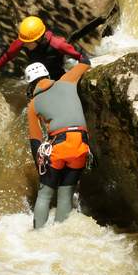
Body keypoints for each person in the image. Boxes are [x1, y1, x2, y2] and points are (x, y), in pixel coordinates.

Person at [25, 57, 90, 229]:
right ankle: (61, 234)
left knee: (45, 195)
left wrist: (40, 169)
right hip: (81, 146)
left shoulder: (33, 105)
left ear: (30, 84)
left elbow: (35, 140)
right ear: (47, 74)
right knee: (66, 193)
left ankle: (38, 234)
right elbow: (86, 63)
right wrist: (79, 55)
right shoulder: (67, 80)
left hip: (59, 148)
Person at [0, 16, 88, 82]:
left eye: (27, 43)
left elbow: (81, 58)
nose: (23, 45)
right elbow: (7, 55)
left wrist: (82, 75)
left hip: (58, 76)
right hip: (38, 78)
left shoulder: (58, 44)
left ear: (39, 39)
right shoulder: (24, 40)